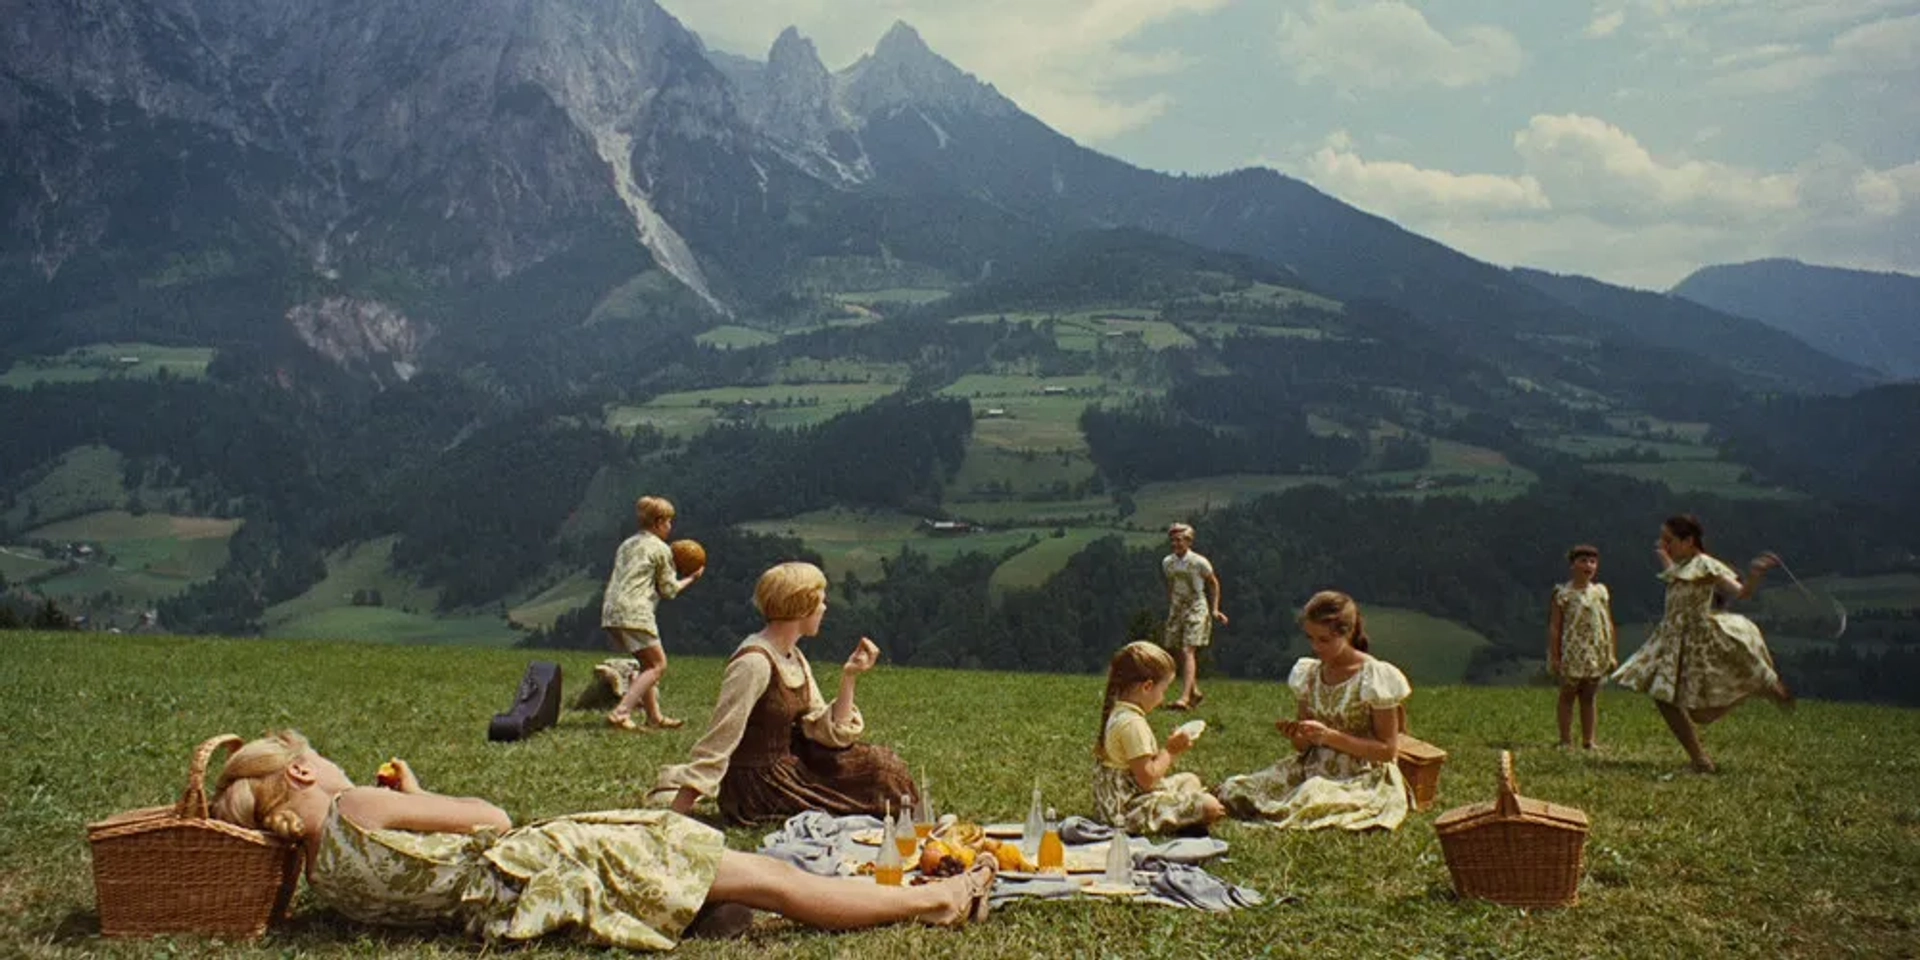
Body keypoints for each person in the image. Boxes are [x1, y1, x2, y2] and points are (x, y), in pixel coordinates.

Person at [207, 732, 993, 951]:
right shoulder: (355, 808)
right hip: (550, 862)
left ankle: (706, 903)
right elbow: (488, 819)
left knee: (740, 883)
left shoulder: (321, 878)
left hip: (519, 905)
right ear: (305, 771)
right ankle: (931, 903)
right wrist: (408, 798)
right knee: (767, 876)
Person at [649, 562, 917, 824]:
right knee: (872, 788)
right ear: (802, 607)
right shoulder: (753, 663)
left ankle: (914, 819)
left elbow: (822, 730)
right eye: (820, 601)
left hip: (791, 765)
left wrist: (849, 676)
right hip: (759, 785)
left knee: (882, 766)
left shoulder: (793, 656)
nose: (824, 608)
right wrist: (677, 813)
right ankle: (911, 823)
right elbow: (720, 737)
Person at [1610, 515, 1794, 773]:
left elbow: (1741, 593)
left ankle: (1756, 687)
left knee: (1699, 713)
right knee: (1666, 698)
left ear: (1689, 541)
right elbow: (1673, 571)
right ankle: (1700, 759)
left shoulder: (1706, 565)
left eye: (1669, 540)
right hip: (1672, 638)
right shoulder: (1678, 565)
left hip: (1698, 641)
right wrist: (1663, 553)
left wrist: (1756, 573)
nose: (1663, 545)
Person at [1216, 591, 1411, 831]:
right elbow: (1303, 746)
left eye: (1324, 640)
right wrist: (1300, 736)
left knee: (1310, 797)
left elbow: (1387, 750)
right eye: (1311, 638)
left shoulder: (1375, 677)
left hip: (1361, 776)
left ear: (1347, 633)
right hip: (1312, 766)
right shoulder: (1309, 674)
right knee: (1236, 788)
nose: (1316, 647)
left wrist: (1330, 737)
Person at [1092, 641, 1227, 835]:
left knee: (1190, 780)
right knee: (1210, 807)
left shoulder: (1120, 713)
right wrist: (1171, 750)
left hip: (1123, 801)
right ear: (1147, 687)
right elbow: (1148, 780)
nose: (1163, 698)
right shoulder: (1132, 724)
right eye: (1163, 690)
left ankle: (1183, 814)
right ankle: (1187, 817)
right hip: (1127, 812)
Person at [601, 496, 703, 731]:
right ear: (659, 523)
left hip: (611, 610)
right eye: (668, 522)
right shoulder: (661, 549)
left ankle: (654, 717)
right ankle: (620, 712)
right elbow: (669, 590)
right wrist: (691, 578)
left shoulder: (627, 544)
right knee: (658, 665)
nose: (670, 527)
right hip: (635, 612)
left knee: (646, 666)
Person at [1549, 544, 1618, 750]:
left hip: (1594, 650)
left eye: (1592, 561)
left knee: (1589, 695)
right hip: (1572, 650)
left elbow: (1608, 622)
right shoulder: (1563, 594)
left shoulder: (1600, 592)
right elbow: (1555, 626)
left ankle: (1589, 740)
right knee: (1568, 694)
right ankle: (1565, 740)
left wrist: (1611, 652)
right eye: (1583, 561)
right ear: (1573, 565)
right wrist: (1555, 655)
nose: (1588, 565)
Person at [1161, 523, 1228, 711]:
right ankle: (1195, 691)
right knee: (1175, 648)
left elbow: (1213, 584)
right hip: (1177, 607)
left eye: (1179, 540)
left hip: (1196, 605)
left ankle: (1184, 698)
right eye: (1173, 540)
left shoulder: (1199, 562)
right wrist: (1171, 605)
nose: (1175, 543)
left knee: (1187, 649)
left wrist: (1215, 610)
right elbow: (1170, 584)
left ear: (1189, 541)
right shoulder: (1168, 562)